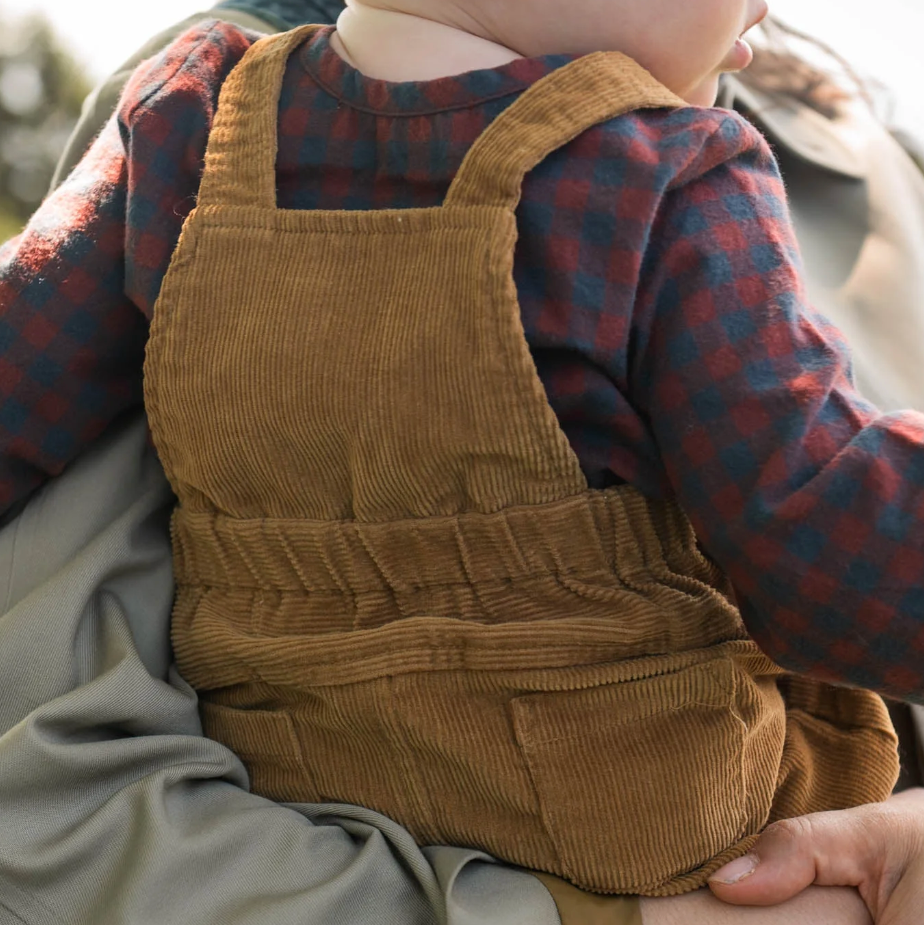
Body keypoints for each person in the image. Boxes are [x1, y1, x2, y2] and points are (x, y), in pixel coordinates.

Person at [0, 0, 921, 922]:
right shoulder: (657, 175)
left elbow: (21, 389)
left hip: (314, 800)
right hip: (667, 838)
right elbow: (812, 530)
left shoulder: (190, 118)